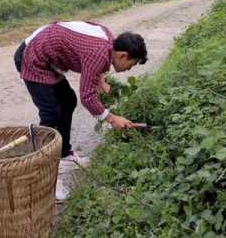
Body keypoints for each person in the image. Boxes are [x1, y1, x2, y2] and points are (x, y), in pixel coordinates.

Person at [13, 20, 147, 200]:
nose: (129, 69)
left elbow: (91, 60)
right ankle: (46, 177)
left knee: (68, 101)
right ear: (123, 55)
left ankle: (64, 155)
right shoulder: (99, 53)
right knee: (50, 114)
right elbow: (88, 97)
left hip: (47, 54)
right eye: (131, 64)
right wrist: (112, 119)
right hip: (33, 56)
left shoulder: (109, 41)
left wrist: (100, 78)